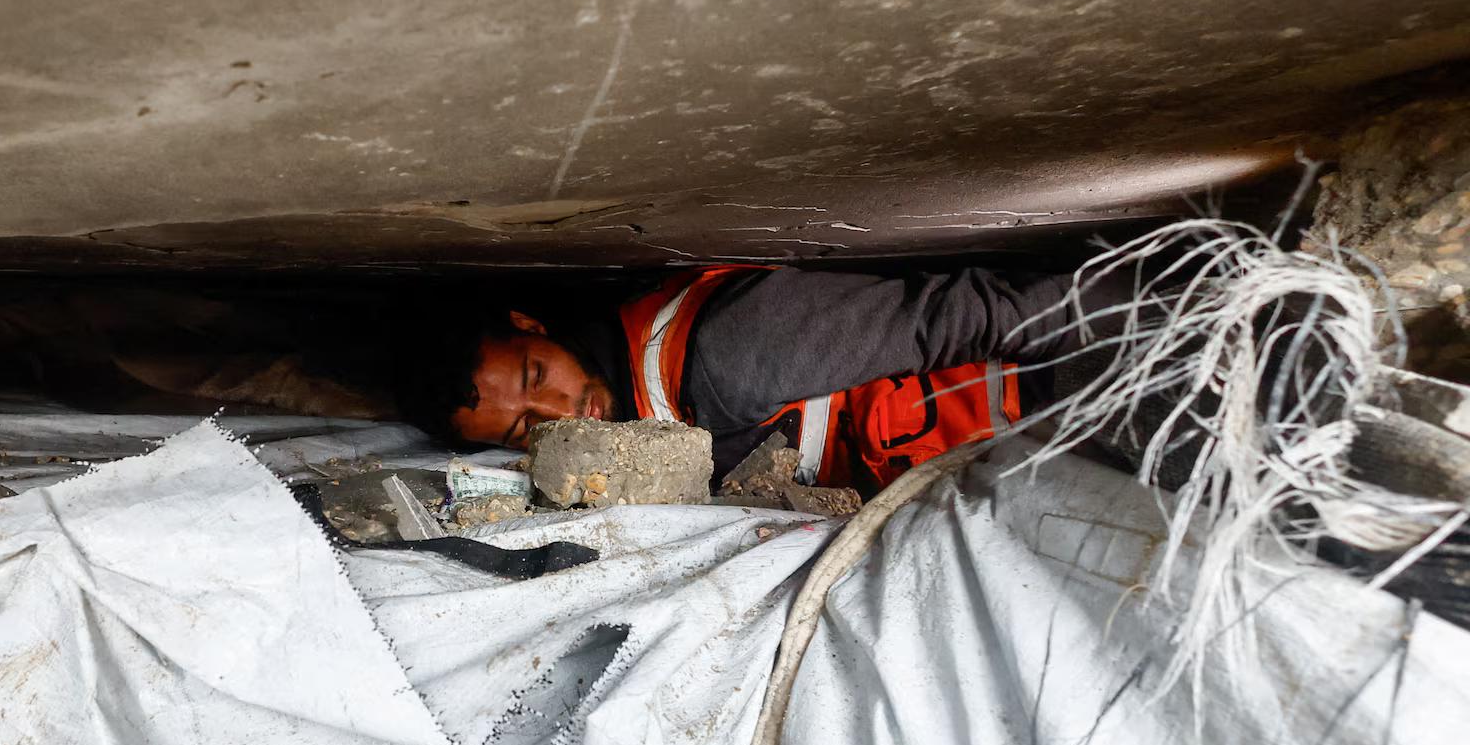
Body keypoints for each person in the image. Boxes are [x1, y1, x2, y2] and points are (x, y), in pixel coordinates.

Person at [399, 265, 1122, 494]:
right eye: (528, 425)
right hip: (1009, 478)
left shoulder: (728, 354)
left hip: (1078, 409)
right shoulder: (637, 429)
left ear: (533, 327)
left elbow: (965, 315)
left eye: (537, 374)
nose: (563, 408)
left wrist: (1157, 329)